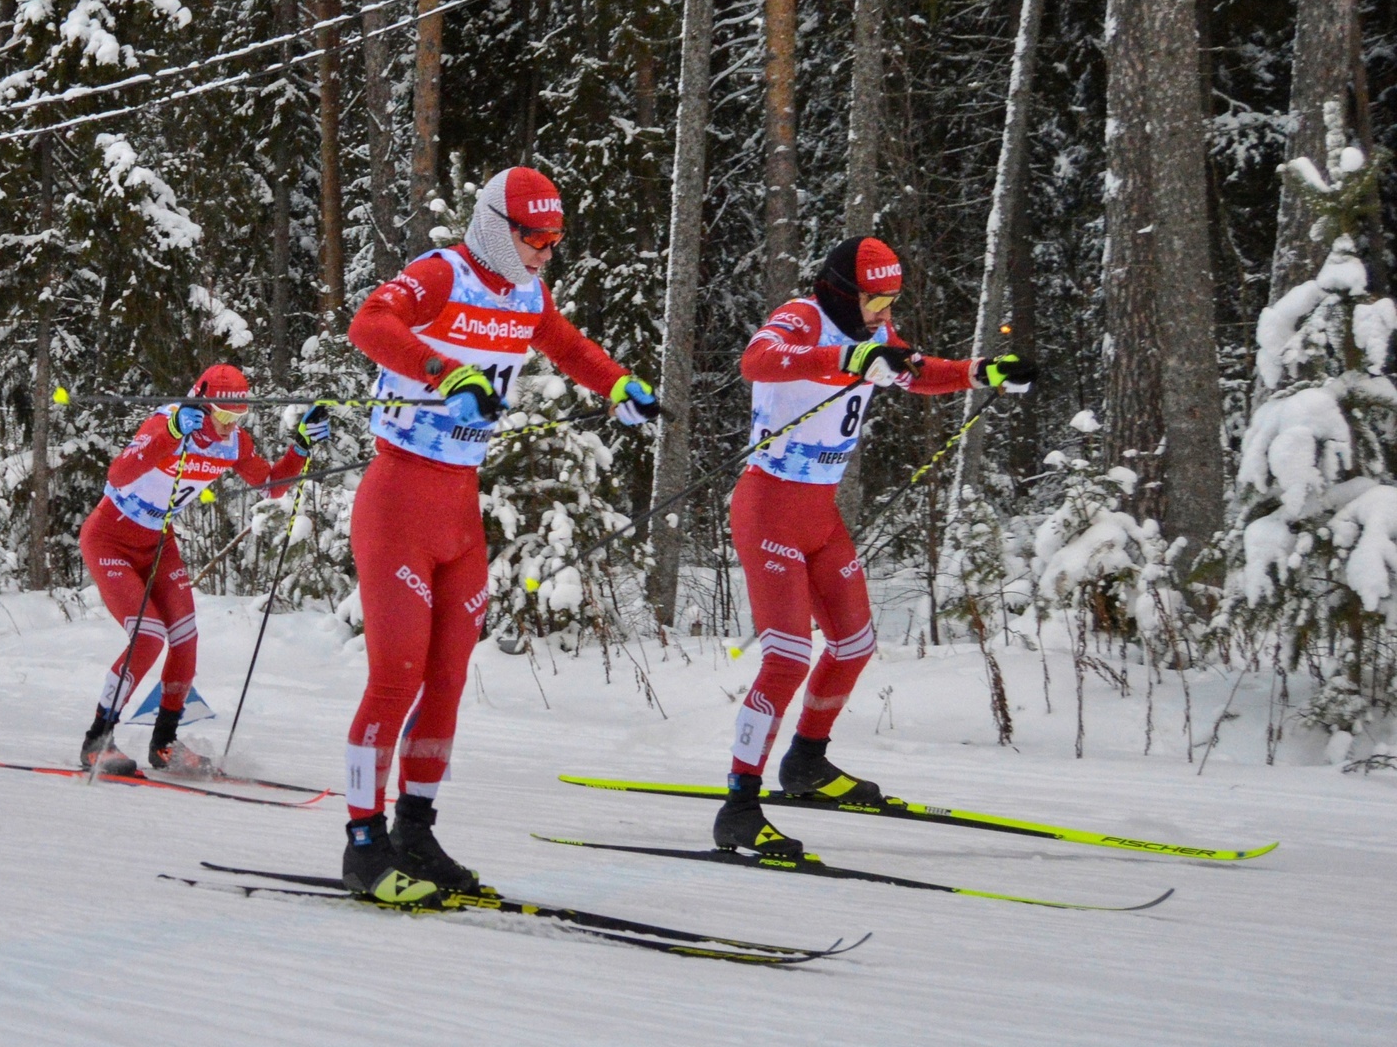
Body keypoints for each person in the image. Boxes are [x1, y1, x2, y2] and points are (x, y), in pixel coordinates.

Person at [340, 166, 661, 904]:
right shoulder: (440, 274)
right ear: (495, 226)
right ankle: (363, 845)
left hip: (458, 507)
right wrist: (441, 370)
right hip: (397, 496)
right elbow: (369, 324)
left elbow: (568, 346)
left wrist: (619, 385)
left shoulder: (526, 293)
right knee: (396, 678)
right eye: (534, 237)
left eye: (554, 239)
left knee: (448, 680)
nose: (546, 251)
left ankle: (415, 831)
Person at [716, 235, 1035, 857]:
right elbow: (758, 362)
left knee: (855, 643)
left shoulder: (877, 331)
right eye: (875, 297)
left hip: (820, 516)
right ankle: (739, 806)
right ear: (842, 290)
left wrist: (981, 372)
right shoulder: (802, 318)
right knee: (786, 658)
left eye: (892, 297)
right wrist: (850, 360)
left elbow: (917, 372)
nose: (885, 309)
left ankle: (806, 762)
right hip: (768, 508)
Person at [77, 363, 326, 778]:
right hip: (110, 538)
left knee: (185, 638)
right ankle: (96, 742)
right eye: (224, 415)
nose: (230, 426)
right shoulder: (168, 421)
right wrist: (173, 431)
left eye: (239, 418)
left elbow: (269, 484)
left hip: (158, 541)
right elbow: (119, 474)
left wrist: (299, 449)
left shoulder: (232, 443)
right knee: (148, 638)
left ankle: (164, 744)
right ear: (202, 404)